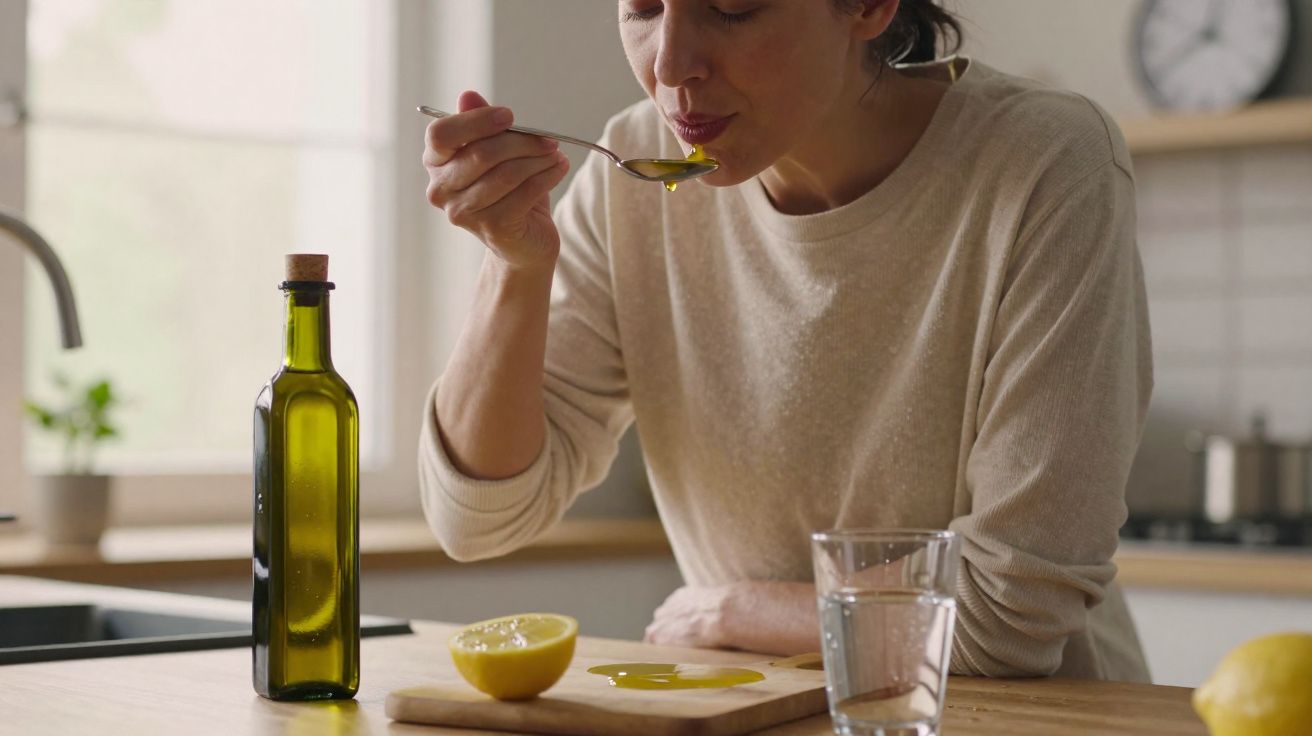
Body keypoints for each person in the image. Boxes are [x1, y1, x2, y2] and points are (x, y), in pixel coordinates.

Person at [419, 0, 1152, 682]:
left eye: (732, 6)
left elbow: (1007, 612)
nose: (670, 64)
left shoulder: (1045, 160)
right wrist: (514, 267)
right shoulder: (632, 164)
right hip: (760, 711)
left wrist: (739, 610)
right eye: (643, 6)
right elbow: (479, 517)